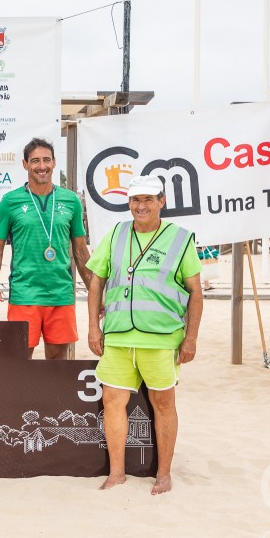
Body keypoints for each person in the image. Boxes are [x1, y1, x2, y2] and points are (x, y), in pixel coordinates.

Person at [86, 175, 203, 495]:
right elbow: (96, 281)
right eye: (136, 199)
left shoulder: (180, 239)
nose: (141, 206)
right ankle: (117, 474)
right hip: (118, 336)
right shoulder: (116, 234)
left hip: (161, 338)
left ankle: (163, 475)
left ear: (161, 201)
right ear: (129, 203)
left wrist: (191, 338)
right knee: (112, 402)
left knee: (163, 404)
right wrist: (94, 327)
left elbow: (196, 292)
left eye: (148, 199)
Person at [0, 138, 93, 359]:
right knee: (19, 363)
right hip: (24, 294)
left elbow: (81, 251)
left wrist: (94, 290)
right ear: (25, 164)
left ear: (54, 163)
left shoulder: (71, 200)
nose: (41, 166)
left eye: (46, 160)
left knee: (57, 364)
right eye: (35, 161)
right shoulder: (10, 201)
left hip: (60, 294)